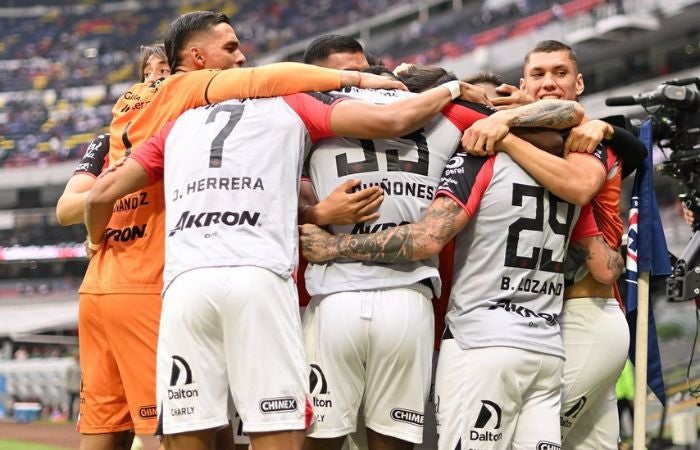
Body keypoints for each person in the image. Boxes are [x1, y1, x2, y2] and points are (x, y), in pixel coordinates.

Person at [83, 74, 489, 450]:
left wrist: (93, 237)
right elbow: (396, 119)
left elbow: (98, 195)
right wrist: (452, 88)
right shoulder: (294, 104)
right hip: (326, 288)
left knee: (199, 424)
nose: (242, 59)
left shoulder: (176, 125)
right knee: (284, 424)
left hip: (198, 284)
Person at [74, 11, 407, 450]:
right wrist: (374, 85)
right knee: (252, 422)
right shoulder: (196, 91)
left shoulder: (130, 121)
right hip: (182, 280)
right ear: (195, 58)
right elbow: (267, 81)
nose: (241, 58)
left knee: (158, 426)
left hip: (143, 281)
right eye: (231, 49)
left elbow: (84, 200)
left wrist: (95, 238)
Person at [301, 63, 584, 450]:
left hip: (336, 296)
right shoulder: (446, 113)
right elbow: (568, 115)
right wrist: (500, 109)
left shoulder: (315, 107)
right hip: (409, 300)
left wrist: (317, 221)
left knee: (319, 441)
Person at [462, 40, 646, 449]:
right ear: (522, 84)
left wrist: (506, 134)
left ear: (579, 83)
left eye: (560, 73)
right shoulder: (545, 137)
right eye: (539, 75)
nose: (549, 83)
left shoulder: (585, 137)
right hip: (547, 322)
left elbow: (593, 175)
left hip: (586, 316)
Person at [56, 44, 170, 227]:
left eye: (164, 71)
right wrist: (114, 190)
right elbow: (65, 210)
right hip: (114, 251)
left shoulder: (182, 135)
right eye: (146, 74)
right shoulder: (107, 143)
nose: (151, 80)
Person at [66, 353, 81, 422]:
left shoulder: (81, 366)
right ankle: (70, 417)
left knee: (80, 403)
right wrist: (68, 386)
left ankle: (79, 417)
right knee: (71, 403)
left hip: (79, 388)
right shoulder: (71, 367)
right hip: (72, 387)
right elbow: (68, 377)